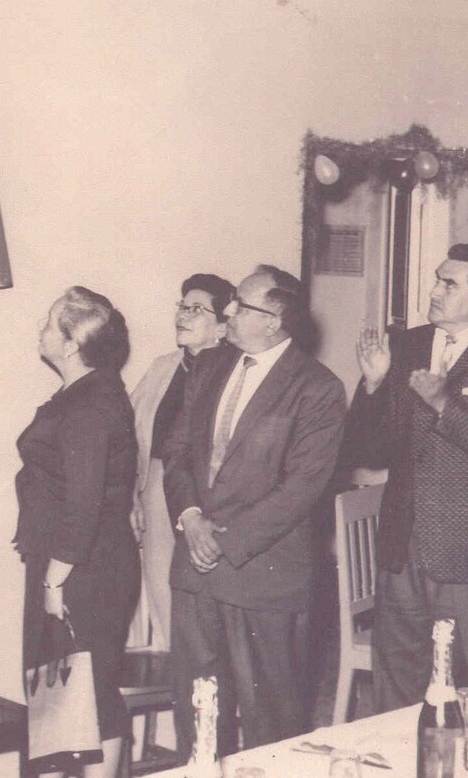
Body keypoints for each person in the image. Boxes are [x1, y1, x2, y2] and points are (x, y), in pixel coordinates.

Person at [344, 242, 468, 710]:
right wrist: (373, 384)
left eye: (449, 284)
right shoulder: (405, 346)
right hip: (402, 548)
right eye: (437, 279)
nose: (434, 291)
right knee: (396, 689)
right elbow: (367, 450)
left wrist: (442, 404)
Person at [163, 265, 346, 753]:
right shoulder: (209, 367)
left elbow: (302, 487)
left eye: (241, 305)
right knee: (197, 719)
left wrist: (221, 541)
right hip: (194, 572)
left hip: (263, 576)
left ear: (274, 320)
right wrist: (190, 518)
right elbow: (176, 452)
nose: (228, 311)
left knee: (272, 726)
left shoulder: (318, 388)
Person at [12, 287, 139, 778]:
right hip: (79, 564)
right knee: (74, 689)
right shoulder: (89, 392)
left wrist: (53, 581)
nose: (40, 330)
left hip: (81, 571)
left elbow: (83, 507)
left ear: (70, 344)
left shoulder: (88, 405)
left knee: (89, 691)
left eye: (49, 323)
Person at [128, 273, 235, 652]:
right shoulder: (163, 367)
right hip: (158, 488)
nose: (183, 315)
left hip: (210, 493)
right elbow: (128, 431)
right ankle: (174, 667)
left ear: (222, 326)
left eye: (197, 309)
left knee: (206, 593)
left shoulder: (234, 370)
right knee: (161, 586)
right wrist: (132, 495)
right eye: (182, 307)